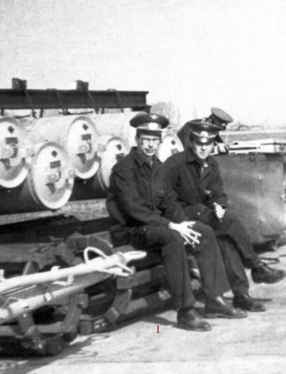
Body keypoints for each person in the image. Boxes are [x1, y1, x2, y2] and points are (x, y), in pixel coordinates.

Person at [106, 112, 245, 332]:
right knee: (172, 238)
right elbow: (134, 209)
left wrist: (184, 223)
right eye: (146, 139)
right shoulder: (124, 168)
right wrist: (172, 226)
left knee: (203, 231)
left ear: (160, 140)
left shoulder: (158, 167)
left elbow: (169, 202)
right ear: (137, 140)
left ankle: (214, 300)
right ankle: (185, 311)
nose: (150, 145)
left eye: (154, 139)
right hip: (132, 229)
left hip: (156, 225)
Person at [165, 121, 286, 312]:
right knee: (230, 221)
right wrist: (182, 219)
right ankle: (256, 266)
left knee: (226, 240)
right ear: (191, 142)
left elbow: (218, 193)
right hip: (182, 216)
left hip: (204, 215)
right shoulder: (175, 164)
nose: (204, 148)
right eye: (199, 143)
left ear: (213, 144)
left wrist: (220, 205)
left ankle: (241, 295)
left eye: (208, 144)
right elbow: (165, 199)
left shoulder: (211, 163)